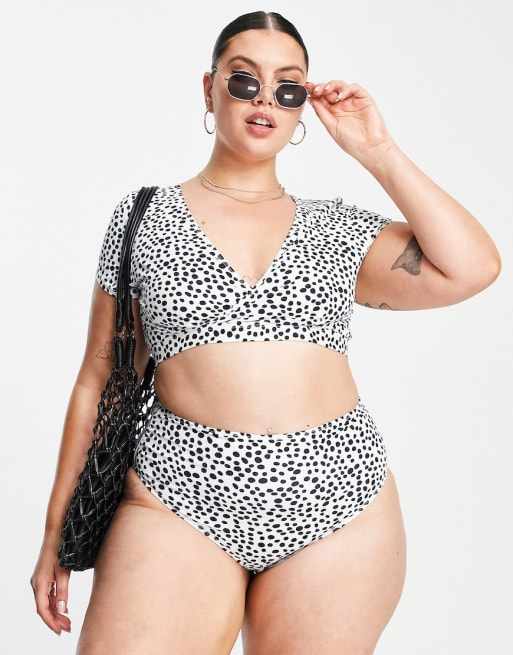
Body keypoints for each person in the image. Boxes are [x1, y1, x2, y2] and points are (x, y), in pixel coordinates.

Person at [30, 10, 501, 654]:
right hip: (176, 500)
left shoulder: (338, 228)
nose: (264, 100)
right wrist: (56, 535)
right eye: (244, 80)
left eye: (288, 87)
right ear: (209, 88)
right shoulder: (144, 218)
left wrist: (377, 152)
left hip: (338, 507)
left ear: (303, 104)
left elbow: (473, 268)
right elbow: (97, 380)